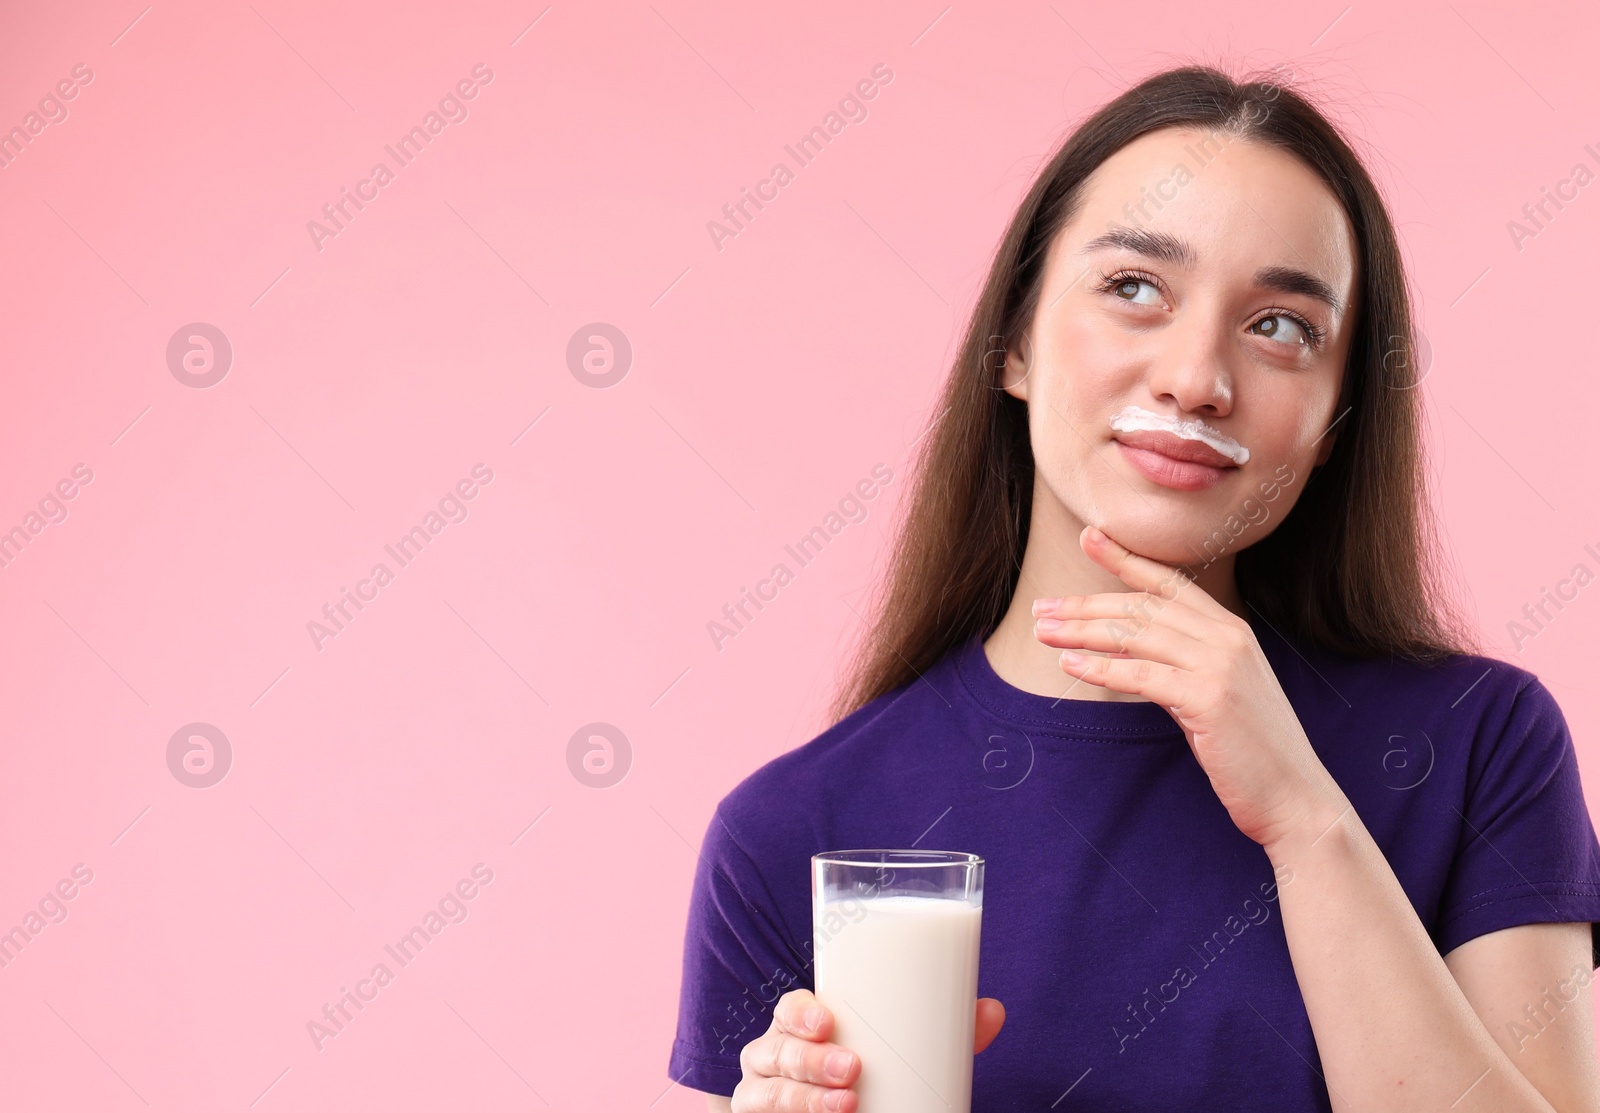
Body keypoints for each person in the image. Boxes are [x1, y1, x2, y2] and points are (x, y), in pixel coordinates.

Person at [666, 63, 1600, 1112]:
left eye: (1282, 326)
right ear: (1013, 341)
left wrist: (1304, 817)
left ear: (1337, 417)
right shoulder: (796, 829)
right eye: (1132, 288)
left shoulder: (1477, 746)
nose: (1196, 377)